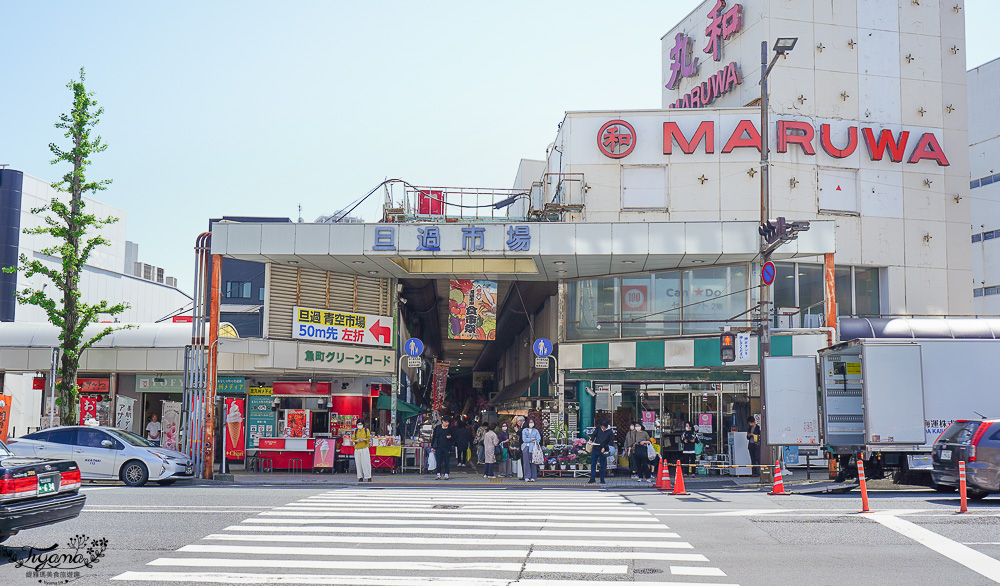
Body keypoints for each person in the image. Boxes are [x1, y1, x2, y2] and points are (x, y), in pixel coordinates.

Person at [521, 418, 541, 482]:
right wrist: (532, 439)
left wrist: (529, 439)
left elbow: (538, 439)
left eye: (532, 422)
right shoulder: (524, 430)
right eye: (530, 422)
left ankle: (533, 476)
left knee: (533, 462)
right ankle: (527, 476)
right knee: (526, 462)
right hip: (526, 447)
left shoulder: (536, 431)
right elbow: (524, 439)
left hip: (534, 448)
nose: (531, 423)